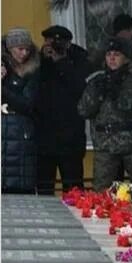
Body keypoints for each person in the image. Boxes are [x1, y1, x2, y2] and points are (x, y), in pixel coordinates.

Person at [77, 37, 132, 191]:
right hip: (106, 143)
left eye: (116, 54)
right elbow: (83, 110)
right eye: (109, 54)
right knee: (101, 192)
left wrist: (118, 94)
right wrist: (98, 93)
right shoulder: (98, 80)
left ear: (125, 58)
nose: (112, 58)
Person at [35, 25, 89, 194]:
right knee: (44, 190)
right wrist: (42, 60)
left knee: (74, 190)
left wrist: (61, 61)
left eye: (58, 43)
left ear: (67, 44)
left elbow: (80, 88)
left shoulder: (79, 58)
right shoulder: (38, 61)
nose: (54, 48)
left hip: (70, 138)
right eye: (50, 42)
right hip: (44, 139)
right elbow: (32, 88)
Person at [2, 28, 39, 193]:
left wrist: (1, 87)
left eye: (27, 49)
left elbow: (26, 104)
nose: (24, 53)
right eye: (20, 49)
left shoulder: (32, 71)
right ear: (9, 48)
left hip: (21, 138)